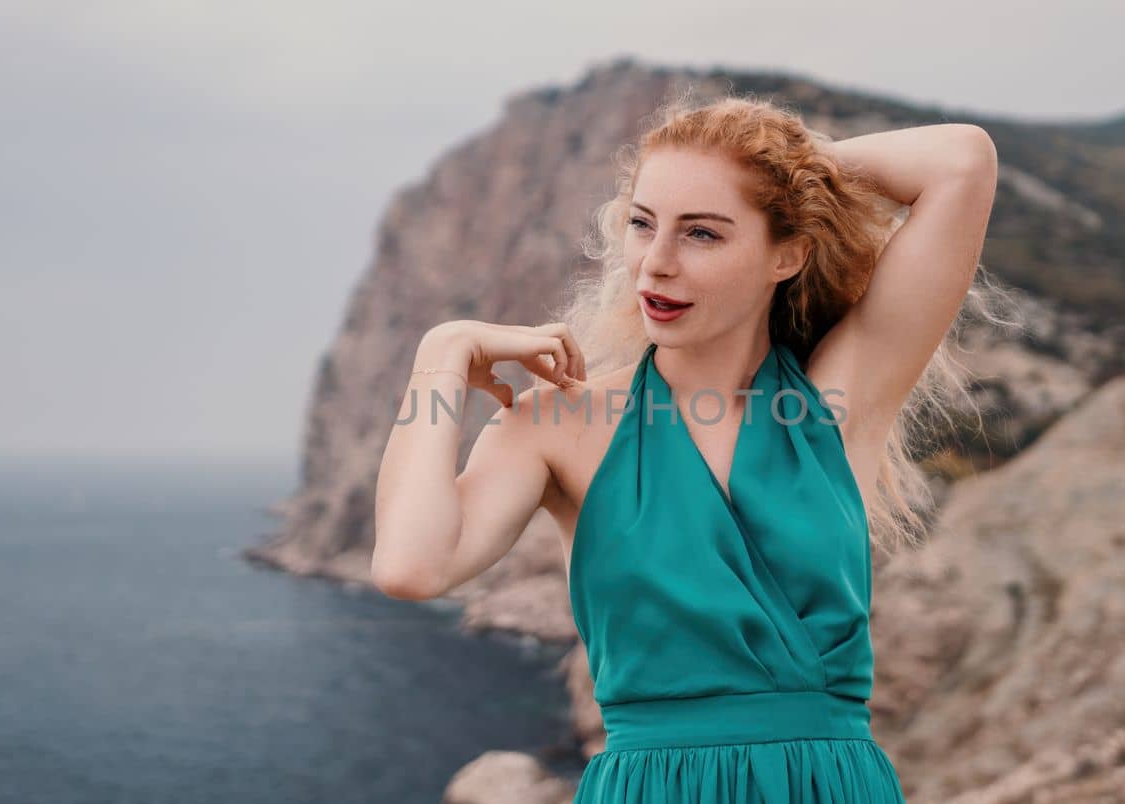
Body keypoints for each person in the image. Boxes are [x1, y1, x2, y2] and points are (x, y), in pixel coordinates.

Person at [373, 92, 1006, 803]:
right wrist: (443, 351)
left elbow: (962, 161)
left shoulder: (835, 403)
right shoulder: (554, 422)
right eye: (644, 225)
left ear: (788, 253)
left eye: (702, 233)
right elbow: (411, 567)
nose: (656, 265)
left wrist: (785, 171)